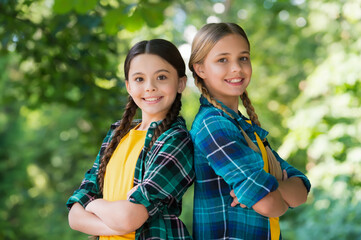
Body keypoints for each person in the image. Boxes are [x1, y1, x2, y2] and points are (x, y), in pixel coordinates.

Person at [188, 22, 311, 240]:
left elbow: (301, 189)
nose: (236, 68)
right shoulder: (213, 125)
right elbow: (269, 204)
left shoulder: (244, 127)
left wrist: (271, 189)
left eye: (243, 58)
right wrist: (276, 190)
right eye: (222, 60)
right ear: (200, 69)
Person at [66, 39, 195, 240]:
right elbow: (74, 217)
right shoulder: (118, 133)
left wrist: (92, 204)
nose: (150, 87)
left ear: (180, 83)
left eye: (161, 77)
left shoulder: (177, 140)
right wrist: (117, 223)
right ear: (128, 86)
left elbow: (129, 218)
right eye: (139, 79)